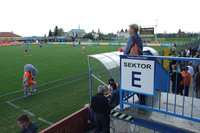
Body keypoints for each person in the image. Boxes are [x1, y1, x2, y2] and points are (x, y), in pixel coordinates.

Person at [124, 23, 145, 105]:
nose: (128, 30)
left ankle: (141, 101)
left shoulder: (131, 37)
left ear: (132, 30)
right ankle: (142, 99)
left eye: (129, 28)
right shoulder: (139, 37)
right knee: (139, 82)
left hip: (133, 62)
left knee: (133, 83)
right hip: (140, 60)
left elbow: (126, 51)